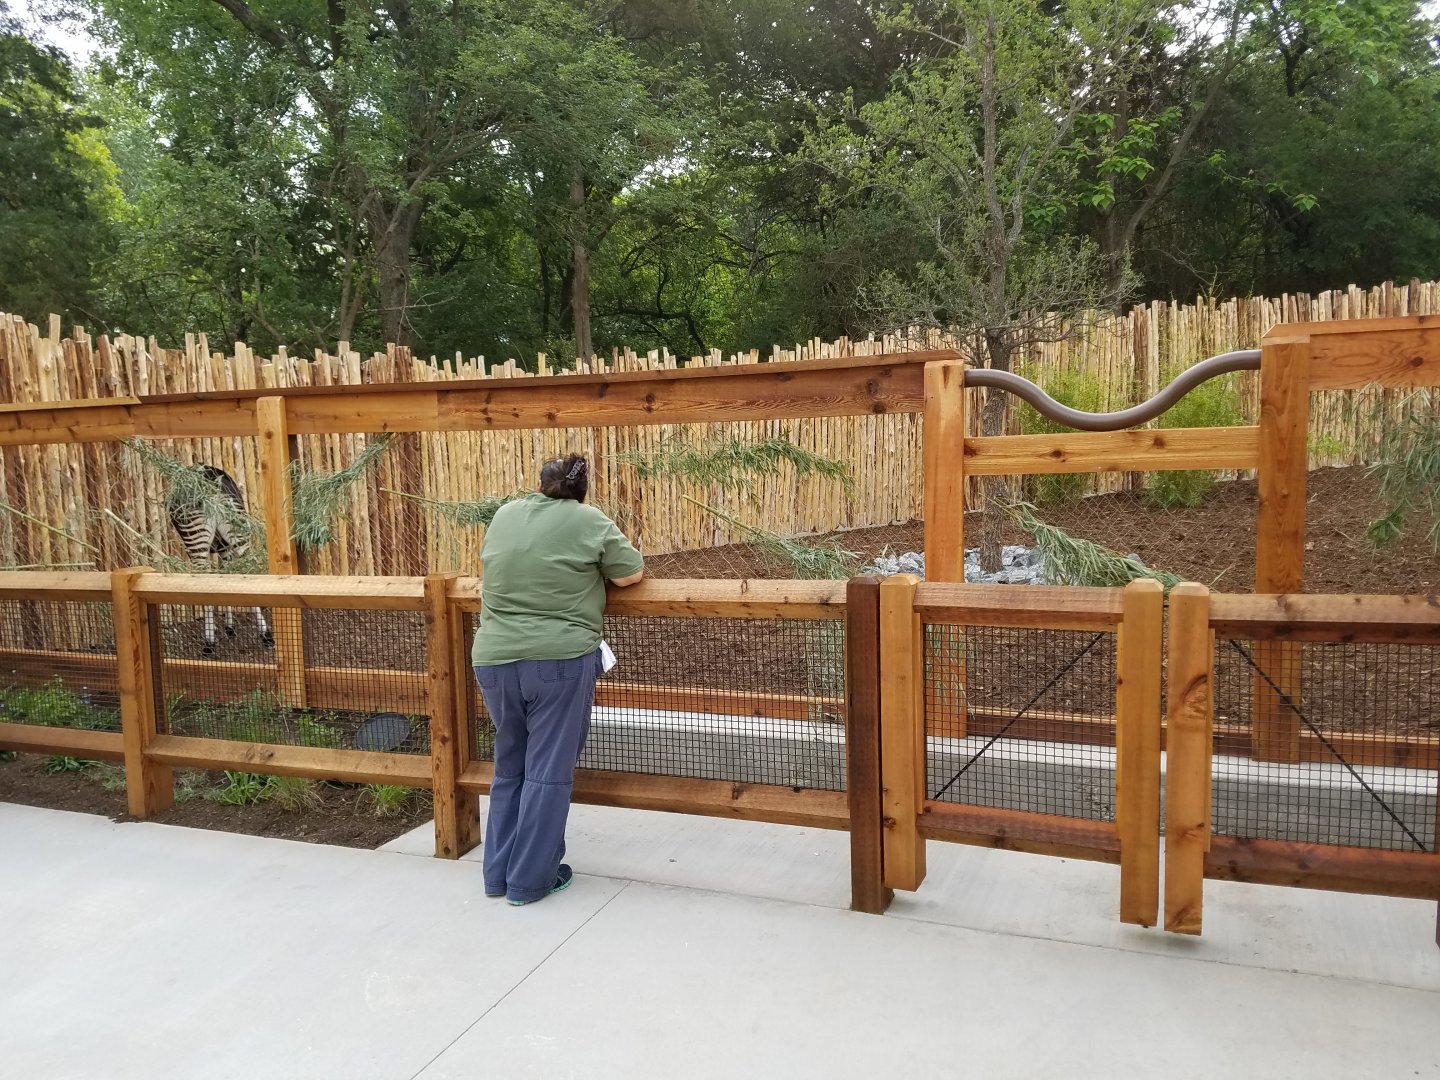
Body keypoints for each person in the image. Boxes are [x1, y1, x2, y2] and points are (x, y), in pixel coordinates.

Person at [471, 452, 644, 905]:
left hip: (492, 660)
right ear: (582, 489)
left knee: (511, 766)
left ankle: (498, 876)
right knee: (548, 774)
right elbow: (631, 574)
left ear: (540, 484)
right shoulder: (588, 520)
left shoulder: (506, 514)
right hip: (559, 662)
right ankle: (531, 882)